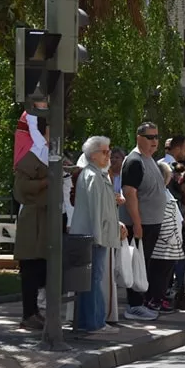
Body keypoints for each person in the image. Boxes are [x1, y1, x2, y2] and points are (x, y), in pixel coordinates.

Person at [70, 136, 124, 334]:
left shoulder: (95, 175)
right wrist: (99, 238)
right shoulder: (93, 176)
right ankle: (95, 322)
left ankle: (90, 321)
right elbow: (96, 211)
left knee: (91, 280)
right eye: (104, 151)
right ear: (93, 155)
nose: (109, 154)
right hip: (93, 237)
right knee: (94, 279)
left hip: (93, 236)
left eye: (109, 151)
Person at [120, 122, 167, 320]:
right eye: (150, 137)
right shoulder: (134, 161)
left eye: (156, 137)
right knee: (136, 264)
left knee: (144, 264)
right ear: (139, 137)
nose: (155, 141)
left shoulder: (149, 160)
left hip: (151, 223)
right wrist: (137, 223)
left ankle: (142, 301)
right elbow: (130, 194)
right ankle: (134, 305)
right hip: (141, 224)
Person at [13, 119, 49, 329]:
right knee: (30, 268)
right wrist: (47, 181)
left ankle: (36, 311)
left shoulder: (49, 152)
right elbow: (21, 186)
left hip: (46, 218)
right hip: (32, 219)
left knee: (42, 267)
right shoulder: (33, 153)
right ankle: (29, 313)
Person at [151, 161, 185, 309]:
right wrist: (173, 239)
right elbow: (167, 220)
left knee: (164, 273)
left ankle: (159, 297)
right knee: (160, 274)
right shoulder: (161, 195)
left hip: (169, 243)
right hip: (166, 243)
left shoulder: (164, 192)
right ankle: (157, 299)